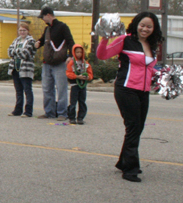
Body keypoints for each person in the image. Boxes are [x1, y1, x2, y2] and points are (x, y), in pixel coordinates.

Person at [97, 12, 162, 183]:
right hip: (126, 89)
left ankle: (123, 162)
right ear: (136, 24)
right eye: (142, 25)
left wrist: (163, 76)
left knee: (138, 127)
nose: (145, 29)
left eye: (149, 26)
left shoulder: (152, 44)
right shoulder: (125, 40)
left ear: (153, 29)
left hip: (144, 91)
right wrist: (104, 38)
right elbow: (102, 55)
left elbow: (148, 68)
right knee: (133, 126)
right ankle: (130, 169)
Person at [34, 6, 74, 119]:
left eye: (43, 17)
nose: (42, 19)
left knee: (61, 89)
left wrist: (71, 56)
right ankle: (49, 112)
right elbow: (42, 40)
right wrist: (38, 43)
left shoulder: (62, 27)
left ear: (48, 15)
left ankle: (62, 113)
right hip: (47, 63)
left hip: (60, 63)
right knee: (47, 89)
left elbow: (71, 42)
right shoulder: (47, 29)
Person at [7, 22, 36, 117]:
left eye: (24, 30)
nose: (22, 32)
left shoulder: (31, 41)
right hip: (15, 68)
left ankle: (28, 111)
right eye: (20, 30)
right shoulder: (16, 41)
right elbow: (9, 52)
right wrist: (16, 52)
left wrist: (15, 52)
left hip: (26, 69)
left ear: (28, 31)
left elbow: (26, 54)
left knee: (27, 90)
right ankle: (17, 110)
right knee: (18, 91)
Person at [66, 44, 93, 124]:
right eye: (77, 52)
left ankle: (80, 117)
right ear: (74, 53)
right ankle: (72, 117)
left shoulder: (85, 63)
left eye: (80, 52)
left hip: (83, 85)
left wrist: (88, 77)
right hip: (75, 85)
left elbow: (90, 74)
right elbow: (68, 73)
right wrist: (77, 76)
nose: (79, 54)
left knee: (82, 101)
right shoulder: (71, 63)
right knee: (73, 102)